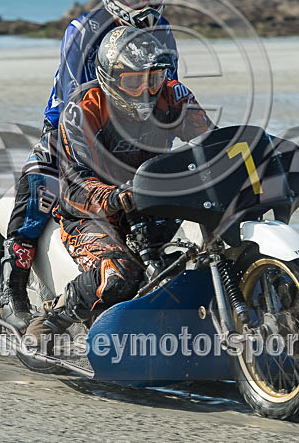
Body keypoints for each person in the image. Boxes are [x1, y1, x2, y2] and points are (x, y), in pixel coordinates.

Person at [0, 0, 180, 332]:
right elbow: (74, 101)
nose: (149, 5)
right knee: (40, 186)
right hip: (72, 129)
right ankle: (11, 290)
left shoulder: (163, 32)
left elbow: (169, 89)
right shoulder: (84, 31)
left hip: (137, 135)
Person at [23, 26, 213, 346]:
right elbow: (75, 181)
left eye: (154, 79)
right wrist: (113, 196)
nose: (146, 90)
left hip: (150, 201)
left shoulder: (173, 94)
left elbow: (208, 140)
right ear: (110, 79)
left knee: (203, 254)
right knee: (120, 273)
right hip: (90, 212)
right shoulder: (83, 107)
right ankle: (53, 316)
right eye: (134, 82)